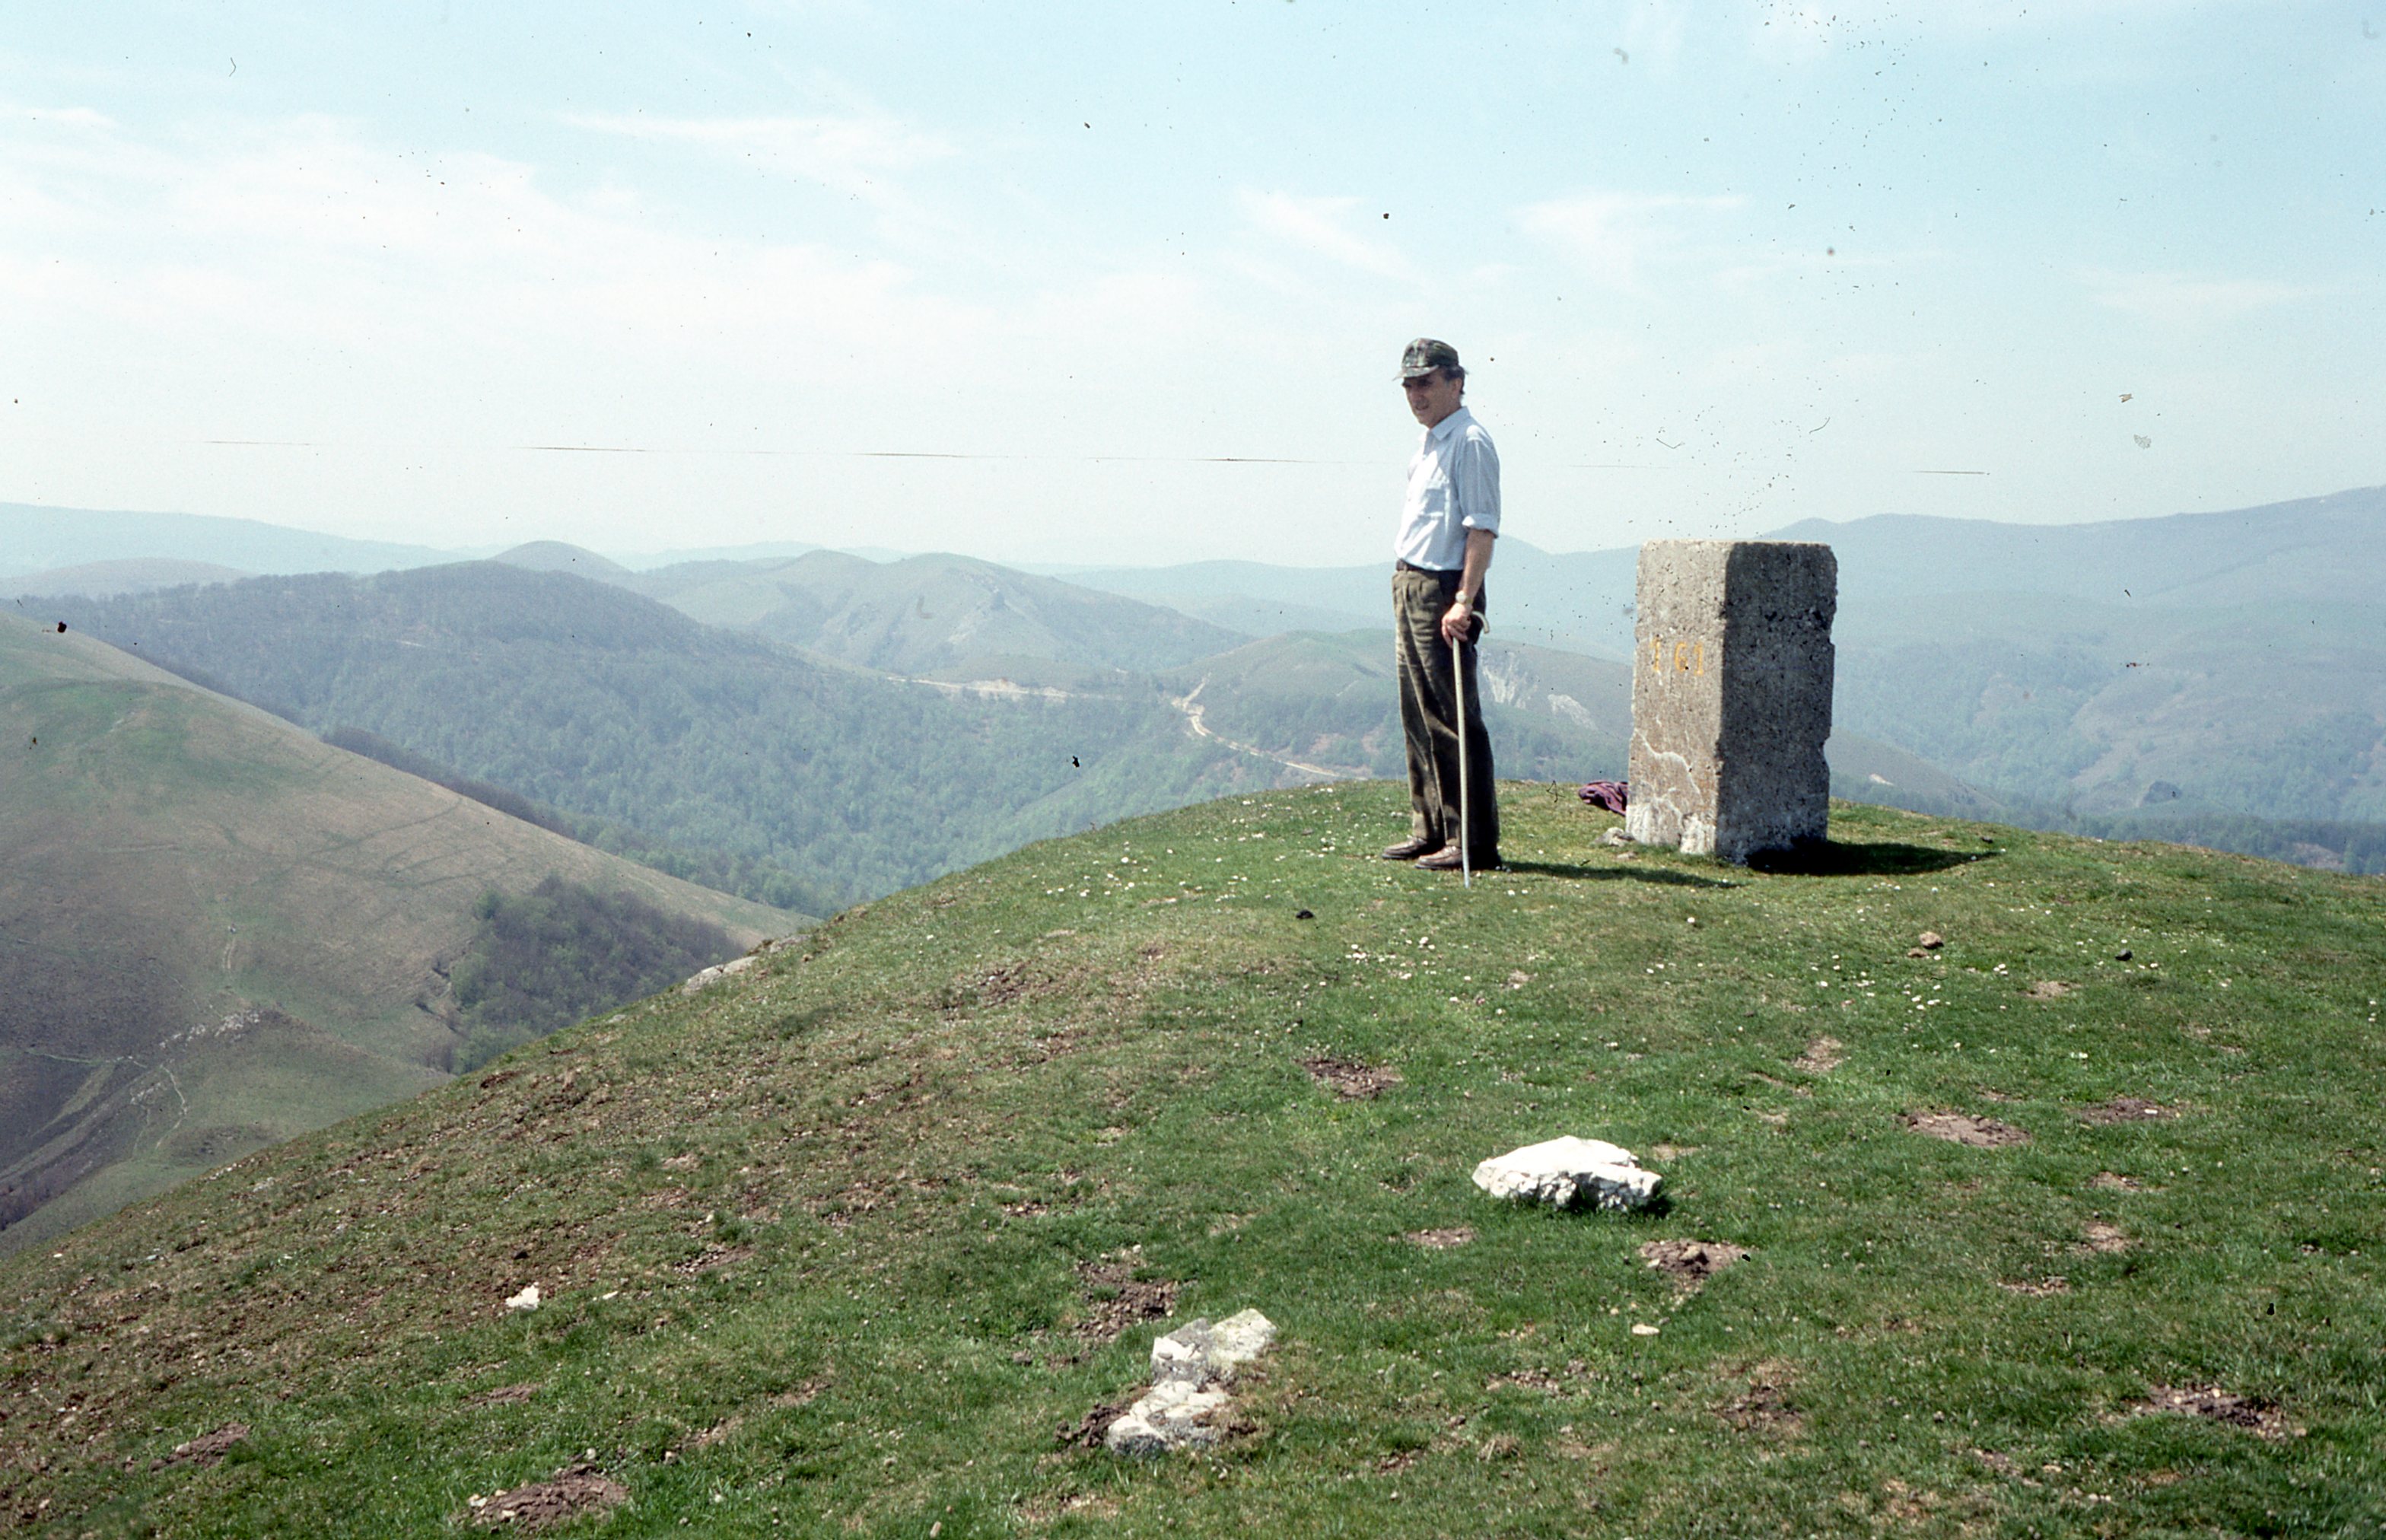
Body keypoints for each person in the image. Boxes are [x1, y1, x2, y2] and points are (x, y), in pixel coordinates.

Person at [1382, 337, 1500, 872]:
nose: (1416, 394)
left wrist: (1463, 601)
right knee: (1417, 712)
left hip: (1444, 590)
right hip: (1411, 582)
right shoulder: (1430, 442)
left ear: (1456, 382)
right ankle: (1429, 828)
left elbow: (1482, 530)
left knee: (1452, 718)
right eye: (1409, 385)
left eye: (1426, 382)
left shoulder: (1469, 441)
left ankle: (1470, 840)